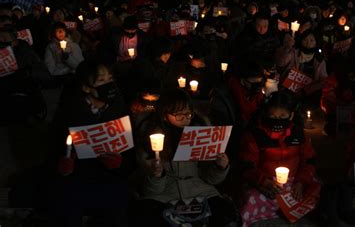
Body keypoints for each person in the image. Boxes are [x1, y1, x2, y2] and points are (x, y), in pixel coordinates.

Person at [131, 88, 237, 227]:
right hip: (164, 196)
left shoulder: (201, 132)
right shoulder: (150, 139)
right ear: (164, 115)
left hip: (200, 190)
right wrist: (157, 175)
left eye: (188, 114)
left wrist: (219, 166)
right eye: (179, 115)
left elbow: (210, 179)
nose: (185, 119)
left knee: (226, 215)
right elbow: (150, 190)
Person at [48, 60, 132, 227]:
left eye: (110, 79)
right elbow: (54, 147)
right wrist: (63, 166)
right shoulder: (69, 113)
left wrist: (120, 164)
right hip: (78, 175)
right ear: (86, 87)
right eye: (101, 81)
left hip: (110, 175)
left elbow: (130, 150)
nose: (109, 85)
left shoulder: (120, 108)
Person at [239, 91, 320, 226]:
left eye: (283, 116)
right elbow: (247, 165)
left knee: (317, 189)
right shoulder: (255, 135)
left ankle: (289, 207)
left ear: (291, 115)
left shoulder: (298, 134)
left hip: (295, 181)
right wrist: (263, 181)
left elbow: (309, 160)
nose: (278, 120)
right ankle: (284, 209)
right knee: (250, 199)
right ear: (265, 114)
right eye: (273, 116)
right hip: (267, 182)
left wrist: (301, 182)